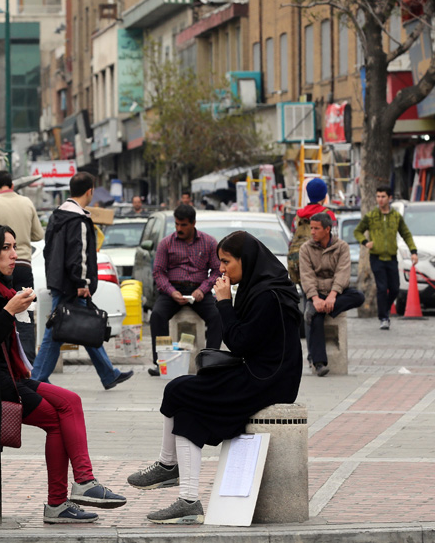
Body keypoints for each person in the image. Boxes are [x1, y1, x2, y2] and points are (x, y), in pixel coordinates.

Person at [127, 231, 303, 524]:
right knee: (186, 413)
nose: (221, 269)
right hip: (257, 371)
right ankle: (188, 501)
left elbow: (239, 342)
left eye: (226, 261)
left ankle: (168, 465)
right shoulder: (256, 286)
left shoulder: (268, 295)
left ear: (245, 260)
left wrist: (223, 303)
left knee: (177, 389)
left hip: (269, 379)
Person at [0, 224, 127, 524]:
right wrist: (9, 311)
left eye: (14, 247)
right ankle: (58, 503)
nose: (14, 255)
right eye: (7, 248)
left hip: (13, 376)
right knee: (57, 421)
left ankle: (84, 482)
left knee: (71, 400)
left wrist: (12, 308)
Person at [30, 172, 134, 389]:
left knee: (79, 326)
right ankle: (37, 378)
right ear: (90, 190)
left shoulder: (57, 216)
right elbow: (80, 255)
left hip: (60, 281)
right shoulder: (78, 220)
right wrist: (82, 283)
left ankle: (108, 374)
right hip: (72, 285)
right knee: (62, 330)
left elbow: (51, 251)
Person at [0, 169, 45, 361]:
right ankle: (29, 362)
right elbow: (39, 235)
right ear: (13, 186)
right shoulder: (26, 202)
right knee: (25, 314)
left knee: (3, 314)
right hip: (23, 266)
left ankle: (8, 360)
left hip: (1, 270)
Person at [147, 204, 222, 376]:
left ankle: (210, 362)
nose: (179, 228)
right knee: (157, 315)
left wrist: (203, 289)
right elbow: (158, 272)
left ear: (193, 223)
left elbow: (217, 270)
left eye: (184, 225)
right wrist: (171, 291)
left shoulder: (209, 242)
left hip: (199, 290)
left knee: (218, 316)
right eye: (177, 224)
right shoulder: (166, 243)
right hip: (173, 290)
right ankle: (161, 363)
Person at [299, 212, 364, 376]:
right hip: (316, 292)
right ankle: (319, 363)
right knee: (316, 318)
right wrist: (314, 298)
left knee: (358, 296)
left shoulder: (342, 247)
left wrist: (332, 296)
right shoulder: (305, 248)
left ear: (327, 229)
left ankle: (321, 308)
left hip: (336, 291)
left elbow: (343, 273)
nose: (312, 232)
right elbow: (307, 276)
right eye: (311, 228)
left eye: (316, 228)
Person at [354, 186, 418, 330]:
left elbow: (406, 234)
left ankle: (385, 309)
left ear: (389, 198)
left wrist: (413, 251)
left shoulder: (396, 216)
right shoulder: (371, 216)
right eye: (378, 196)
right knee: (382, 288)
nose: (380, 199)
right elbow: (357, 231)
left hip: (391, 257)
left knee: (394, 288)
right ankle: (383, 317)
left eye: (383, 196)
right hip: (376, 257)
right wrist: (365, 242)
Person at [287, 177, 336, 287]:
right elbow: (335, 242)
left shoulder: (298, 216)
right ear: (324, 195)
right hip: (322, 267)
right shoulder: (328, 215)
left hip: (301, 264)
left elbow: (291, 242)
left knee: (306, 296)